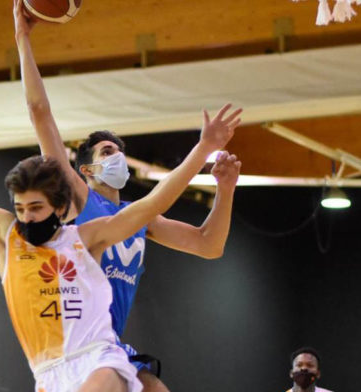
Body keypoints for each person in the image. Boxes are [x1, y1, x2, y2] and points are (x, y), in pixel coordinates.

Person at [0, 104, 241, 392]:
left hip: (99, 357)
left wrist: (203, 148)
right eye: (20, 208)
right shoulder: (5, 235)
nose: (27, 217)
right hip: (48, 373)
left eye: (36, 208)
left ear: (59, 207)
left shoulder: (88, 237)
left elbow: (154, 203)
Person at [13, 1, 242, 390]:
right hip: (71, 346)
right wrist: (22, 39)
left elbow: (209, 245)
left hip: (108, 344)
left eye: (118, 150)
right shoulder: (79, 197)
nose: (116, 155)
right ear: (84, 169)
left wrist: (225, 191)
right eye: (106, 152)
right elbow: (39, 112)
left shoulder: (140, 219)